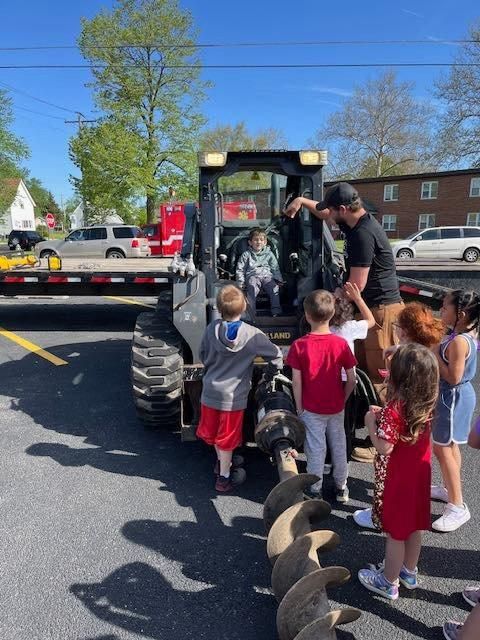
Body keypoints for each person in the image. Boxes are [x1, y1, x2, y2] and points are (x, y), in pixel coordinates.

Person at [285, 182, 403, 463]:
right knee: (362, 373)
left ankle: (385, 443)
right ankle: (376, 431)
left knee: (380, 378)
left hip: (380, 310)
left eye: (332, 210)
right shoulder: (352, 221)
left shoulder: (363, 235)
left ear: (343, 209)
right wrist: (301, 200)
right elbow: (324, 214)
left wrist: (324, 303)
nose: (329, 216)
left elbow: (355, 287)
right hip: (369, 307)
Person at [353, 301, 445, 529]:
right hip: (417, 456)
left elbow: (385, 447)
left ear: (403, 331)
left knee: (387, 490)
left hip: (396, 458)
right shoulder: (426, 365)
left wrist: (371, 423)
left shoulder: (400, 393)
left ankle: (380, 516)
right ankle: (408, 562)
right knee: (412, 512)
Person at [358, 343, 439, 601]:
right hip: (419, 478)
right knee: (415, 527)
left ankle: (387, 582)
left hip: (399, 480)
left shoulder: (396, 408)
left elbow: (384, 448)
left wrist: (372, 423)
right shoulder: (426, 403)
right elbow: (407, 430)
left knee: (395, 533)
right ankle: (408, 572)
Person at [197, 284, 283, 492]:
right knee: (227, 439)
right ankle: (224, 477)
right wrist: (270, 373)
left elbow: (202, 354)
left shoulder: (211, 329)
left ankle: (221, 461)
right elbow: (277, 356)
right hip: (233, 398)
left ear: (218, 307)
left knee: (215, 435)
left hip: (209, 393)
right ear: (244, 306)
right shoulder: (251, 334)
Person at [286, 289, 357, 502]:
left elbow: (297, 381)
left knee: (315, 448)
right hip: (336, 406)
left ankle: (315, 488)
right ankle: (341, 487)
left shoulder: (299, 346)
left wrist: (299, 407)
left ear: (307, 316)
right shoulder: (341, 344)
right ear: (332, 312)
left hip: (311, 407)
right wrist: (342, 400)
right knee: (339, 445)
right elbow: (352, 379)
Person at [430, 290, 480, 532]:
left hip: (453, 397)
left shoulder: (460, 341)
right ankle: (450, 489)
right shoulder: (461, 333)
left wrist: (433, 354)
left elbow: (453, 377)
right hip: (454, 397)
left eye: (445, 308)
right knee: (449, 447)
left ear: (460, 315)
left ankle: (457, 506)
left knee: (442, 448)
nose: (441, 311)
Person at [236, 228, 283, 317]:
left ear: (265, 242)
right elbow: (240, 269)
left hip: (267, 276)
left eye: (261, 240)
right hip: (253, 276)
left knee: (274, 288)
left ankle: (276, 311)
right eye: (256, 240)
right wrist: (241, 282)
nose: (258, 242)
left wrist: (279, 279)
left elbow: (275, 268)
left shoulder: (269, 254)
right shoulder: (246, 255)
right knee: (252, 287)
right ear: (250, 242)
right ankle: (251, 313)